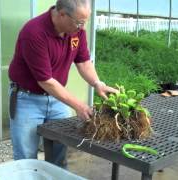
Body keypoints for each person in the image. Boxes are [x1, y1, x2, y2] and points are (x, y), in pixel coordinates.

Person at [8, 0, 118, 168]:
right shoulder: (34, 32)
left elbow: (83, 62)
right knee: (26, 158)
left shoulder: (76, 31)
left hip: (56, 99)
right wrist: (79, 106)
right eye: (79, 22)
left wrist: (97, 83)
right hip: (27, 99)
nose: (82, 27)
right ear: (61, 14)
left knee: (60, 152)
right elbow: (46, 81)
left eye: (85, 22)